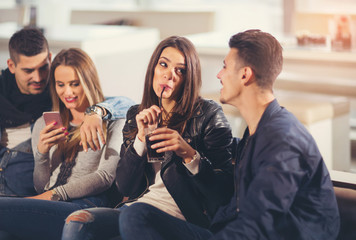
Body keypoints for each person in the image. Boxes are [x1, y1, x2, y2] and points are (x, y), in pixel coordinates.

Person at [114, 30, 341, 240]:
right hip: (230, 229)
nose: (219, 74)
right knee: (133, 216)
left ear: (245, 75)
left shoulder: (280, 138)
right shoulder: (256, 133)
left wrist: (190, 156)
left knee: (136, 217)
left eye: (225, 66)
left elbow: (259, 223)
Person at [61, 36, 234, 240]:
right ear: (153, 68)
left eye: (180, 70)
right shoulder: (137, 114)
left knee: (135, 214)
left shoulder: (208, 114)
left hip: (182, 219)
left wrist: (189, 154)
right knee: (77, 221)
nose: (169, 75)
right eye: (163, 65)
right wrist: (140, 139)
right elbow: (125, 187)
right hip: (135, 210)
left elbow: (223, 193)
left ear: (189, 78)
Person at [0, 48, 129, 240]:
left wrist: (52, 195)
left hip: (85, 205)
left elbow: (105, 176)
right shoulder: (44, 124)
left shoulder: (112, 120)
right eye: (60, 84)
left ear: (88, 81)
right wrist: (42, 153)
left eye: (74, 84)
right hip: (50, 206)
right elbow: (41, 186)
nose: (67, 92)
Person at [0, 27, 132, 197]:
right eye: (28, 71)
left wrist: (96, 111)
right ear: (11, 66)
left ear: (49, 58)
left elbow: (128, 104)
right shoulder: (5, 88)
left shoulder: (58, 87)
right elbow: (42, 184)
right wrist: (41, 152)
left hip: (25, 190)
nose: (39, 78)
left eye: (42, 68)